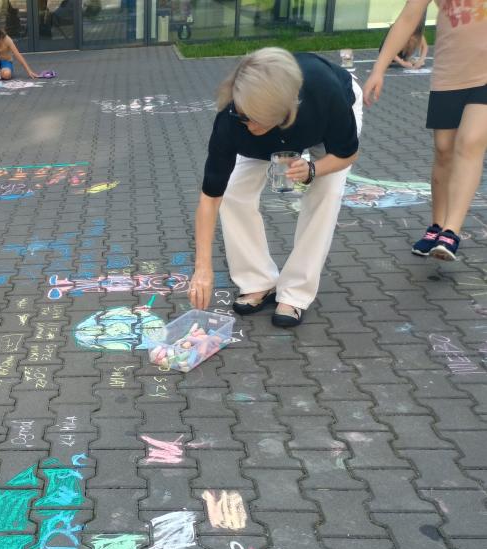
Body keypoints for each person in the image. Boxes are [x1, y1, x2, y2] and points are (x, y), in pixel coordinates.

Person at [188, 48, 362, 328]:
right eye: (243, 116)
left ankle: (295, 293)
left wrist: (313, 170)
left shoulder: (324, 93)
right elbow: (210, 199)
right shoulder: (232, 120)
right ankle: (258, 281)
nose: (248, 124)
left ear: (281, 112)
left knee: (325, 194)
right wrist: (202, 269)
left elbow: (347, 153)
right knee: (234, 192)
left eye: (255, 119)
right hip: (280, 127)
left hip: (324, 125)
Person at [365, 0, 486, 262]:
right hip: (449, 74)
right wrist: (378, 69)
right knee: (443, 150)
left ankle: (451, 231)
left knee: (470, 142)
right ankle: (437, 226)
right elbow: (409, 17)